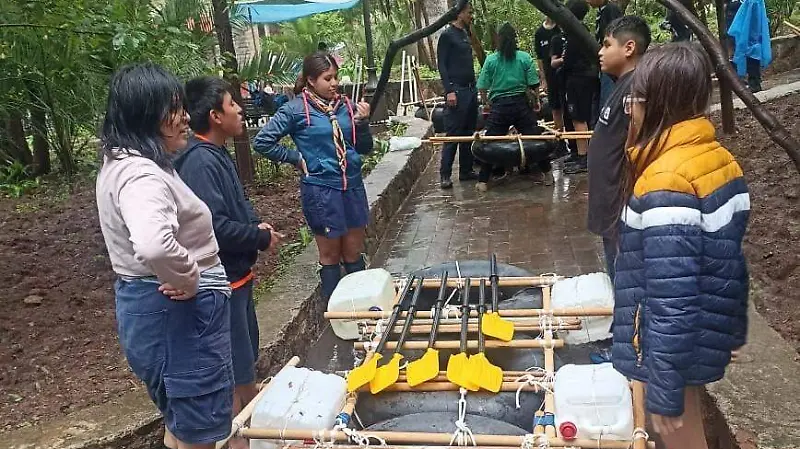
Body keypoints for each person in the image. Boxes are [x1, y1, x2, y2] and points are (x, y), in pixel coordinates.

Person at [613, 43, 750, 449]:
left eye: (634, 101)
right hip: (701, 328)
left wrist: (664, 386)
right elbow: (732, 258)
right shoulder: (717, 158)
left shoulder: (667, 180)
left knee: (680, 435)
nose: (629, 112)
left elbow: (671, 296)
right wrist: (733, 329)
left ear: (656, 105)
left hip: (675, 341)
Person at [96, 63, 233, 449]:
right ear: (147, 116)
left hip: (152, 309)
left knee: (183, 423)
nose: (185, 117)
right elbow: (154, 244)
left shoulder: (123, 161)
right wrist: (187, 277)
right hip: (178, 315)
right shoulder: (141, 176)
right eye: (173, 109)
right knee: (199, 433)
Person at [174, 77, 283, 449]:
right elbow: (215, 227)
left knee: (244, 365)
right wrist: (258, 237)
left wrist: (255, 225)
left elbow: (234, 206)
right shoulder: (199, 162)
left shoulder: (215, 153)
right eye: (232, 103)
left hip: (238, 277)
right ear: (215, 116)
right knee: (235, 375)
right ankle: (239, 439)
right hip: (224, 283)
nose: (240, 109)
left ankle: (249, 435)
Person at [252, 52, 373, 302]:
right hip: (322, 191)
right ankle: (334, 310)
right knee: (330, 256)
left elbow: (363, 148)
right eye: (327, 78)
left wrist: (362, 123)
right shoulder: (295, 110)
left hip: (352, 187)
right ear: (310, 80)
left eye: (336, 77)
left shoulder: (346, 106)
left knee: (353, 253)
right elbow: (262, 141)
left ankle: (362, 308)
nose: (334, 83)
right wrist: (296, 158)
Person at [587, 16, 651, 281]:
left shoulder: (637, 88)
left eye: (606, 44)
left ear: (629, 48)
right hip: (609, 200)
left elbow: (639, 146)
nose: (600, 52)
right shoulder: (621, 83)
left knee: (625, 278)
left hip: (621, 203)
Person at [476, 22, 549, 191]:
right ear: (515, 39)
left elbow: (482, 86)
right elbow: (534, 84)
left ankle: (483, 181)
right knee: (535, 138)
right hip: (521, 105)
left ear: (499, 39)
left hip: (500, 107)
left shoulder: (491, 60)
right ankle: (548, 174)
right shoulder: (524, 57)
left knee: (489, 142)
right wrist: (536, 102)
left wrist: (486, 103)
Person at [437, 1, 479, 189]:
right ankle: (445, 174)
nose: (471, 16)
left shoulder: (465, 34)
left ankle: (466, 170)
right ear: (459, 13)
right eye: (469, 12)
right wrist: (449, 90)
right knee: (453, 133)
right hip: (457, 90)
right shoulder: (447, 35)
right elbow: (442, 65)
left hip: (471, 89)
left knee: (468, 131)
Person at [553, 0, 599, 174]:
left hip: (577, 79)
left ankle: (583, 157)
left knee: (579, 118)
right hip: (586, 77)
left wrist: (562, 71)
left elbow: (569, 60)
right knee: (580, 117)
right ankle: (580, 154)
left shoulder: (575, 33)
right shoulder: (582, 31)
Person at [728, 0, 771, 92]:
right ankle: (754, 82)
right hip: (750, 34)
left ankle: (754, 83)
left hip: (750, 34)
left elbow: (752, 18)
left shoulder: (753, 2)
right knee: (751, 57)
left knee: (752, 57)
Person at [534, 17, 566, 137]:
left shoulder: (561, 28)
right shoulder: (539, 33)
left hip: (565, 72)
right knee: (555, 105)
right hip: (550, 74)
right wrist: (543, 79)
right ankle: (559, 136)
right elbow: (539, 58)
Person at [587, 0, 623, 108]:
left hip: (611, 62)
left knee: (608, 97)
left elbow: (615, 37)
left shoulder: (611, 10)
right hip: (603, 61)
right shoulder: (602, 11)